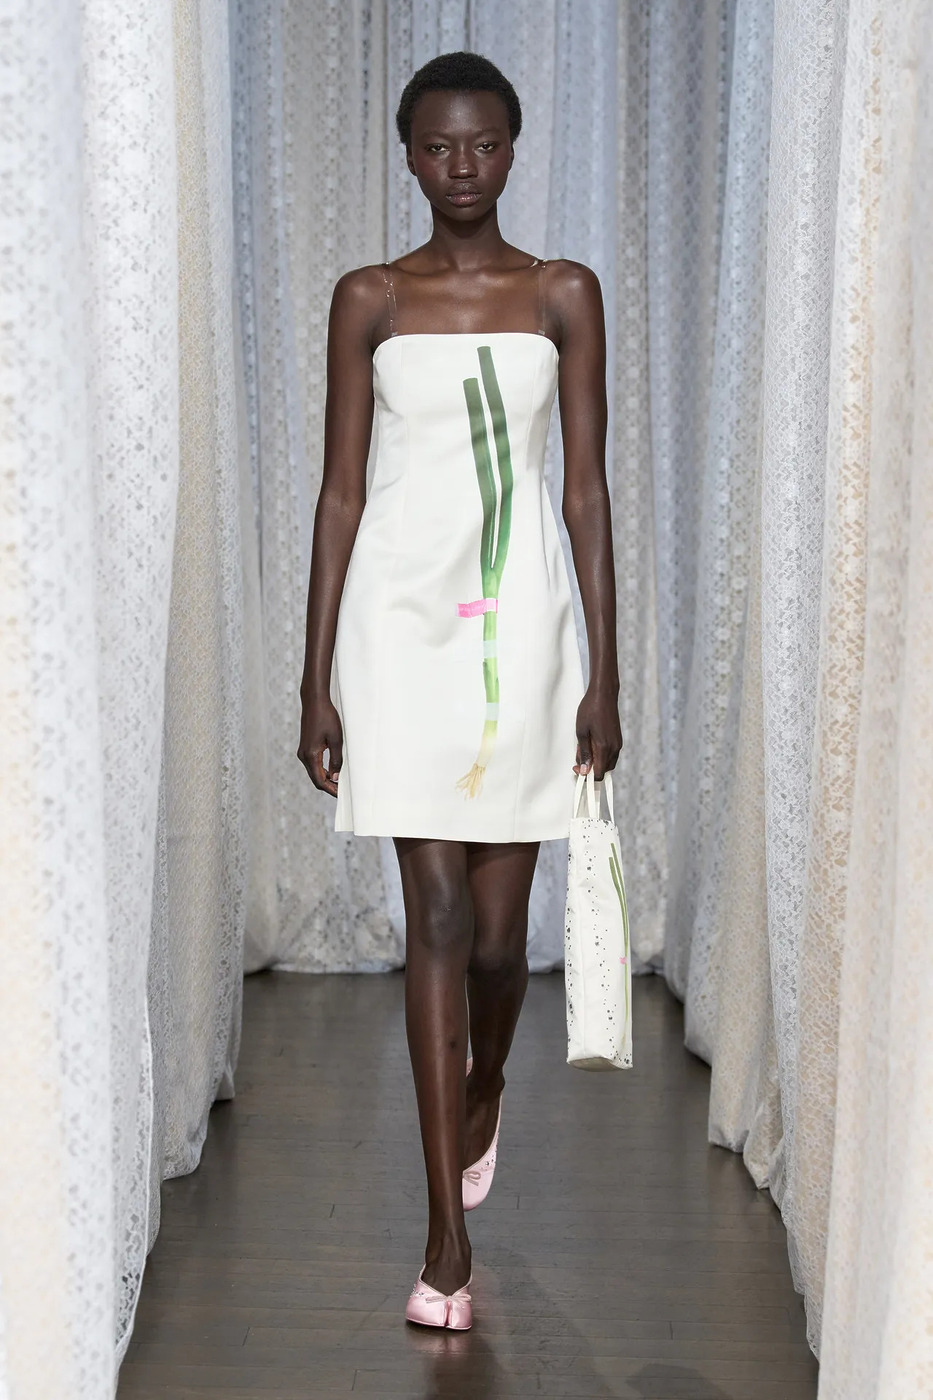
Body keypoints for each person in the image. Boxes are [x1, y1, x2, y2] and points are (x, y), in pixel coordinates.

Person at [297, 50, 621, 1330]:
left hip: (526, 627)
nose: (463, 167)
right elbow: (340, 492)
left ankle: (486, 1081)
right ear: (409, 157)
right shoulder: (370, 297)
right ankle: (445, 1241)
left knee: (497, 939)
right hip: (399, 629)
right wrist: (315, 675)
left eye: (484, 144)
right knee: (432, 914)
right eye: (439, 147)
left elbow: (585, 490)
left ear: (514, 149)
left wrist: (606, 668)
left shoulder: (562, 292)